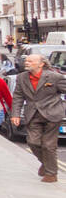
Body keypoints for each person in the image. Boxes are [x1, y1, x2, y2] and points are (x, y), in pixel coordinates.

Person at [10, 53, 66, 184]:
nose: (26, 62)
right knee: (32, 142)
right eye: (26, 60)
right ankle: (47, 163)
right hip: (32, 114)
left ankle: (51, 174)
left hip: (53, 114)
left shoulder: (55, 77)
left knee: (48, 145)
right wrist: (15, 114)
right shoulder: (21, 77)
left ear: (41, 64)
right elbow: (18, 96)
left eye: (30, 61)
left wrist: (62, 106)